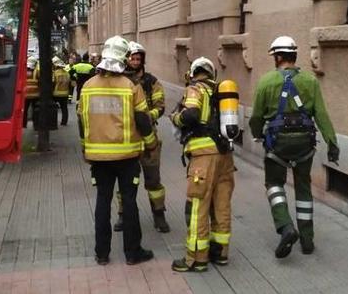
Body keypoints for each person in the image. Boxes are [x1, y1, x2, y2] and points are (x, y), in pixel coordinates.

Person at [249, 36, 340, 258]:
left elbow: (256, 117)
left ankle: (285, 226)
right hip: (304, 145)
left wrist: (257, 134)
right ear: (294, 55)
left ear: (278, 57)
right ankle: (307, 240)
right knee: (303, 187)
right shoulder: (310, 81)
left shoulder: (266, 82)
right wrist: (332, 142)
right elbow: (321, 114)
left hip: (277, 144)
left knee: (274, 183)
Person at [78, 36, 155, 266]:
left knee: (103, 201)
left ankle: (102, 253)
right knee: (129, 202)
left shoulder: (88, 86)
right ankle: (133, 253)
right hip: (127, 156)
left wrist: (85, 147)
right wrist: (150, 144)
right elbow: (143, 120)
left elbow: (82, 121)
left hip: (98, 158)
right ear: (122, 58)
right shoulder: (131, 87)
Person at [169, 57, 235, 272]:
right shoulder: (220, 91)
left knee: (198, 205)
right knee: (222, 204)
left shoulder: (195, 89)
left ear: (194, 72)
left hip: (204, 157)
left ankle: (196, 258)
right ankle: (221, 252)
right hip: (225, 156)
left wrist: (175, 118)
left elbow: (191, 114)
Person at [113, 42, 170, 233]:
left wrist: (146, 116)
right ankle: (122, 215)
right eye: (132, 58)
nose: (135, 62)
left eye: (138, 59)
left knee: (153, 179)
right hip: (127, 137)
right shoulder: (118, 80)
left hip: (149, 138)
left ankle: (159, 215)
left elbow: (160, 106)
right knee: (125, 180)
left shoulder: (151, 81)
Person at [52, 56, 71, 126]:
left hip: (56, 93)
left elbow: (53, 83)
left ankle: (53, 121)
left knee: (53, 108)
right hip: (65, 93)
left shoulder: (55, 73)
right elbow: (70, 83)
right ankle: (64, 122)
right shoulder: (67, 73)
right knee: (64, 109)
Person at [23, 56, 39, 127]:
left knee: (25, 110)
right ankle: (35, 125)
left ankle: (24, 124)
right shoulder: (36, 71)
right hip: (35, 94)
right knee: (35, 110)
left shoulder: (24, 71)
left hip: (26, 94)